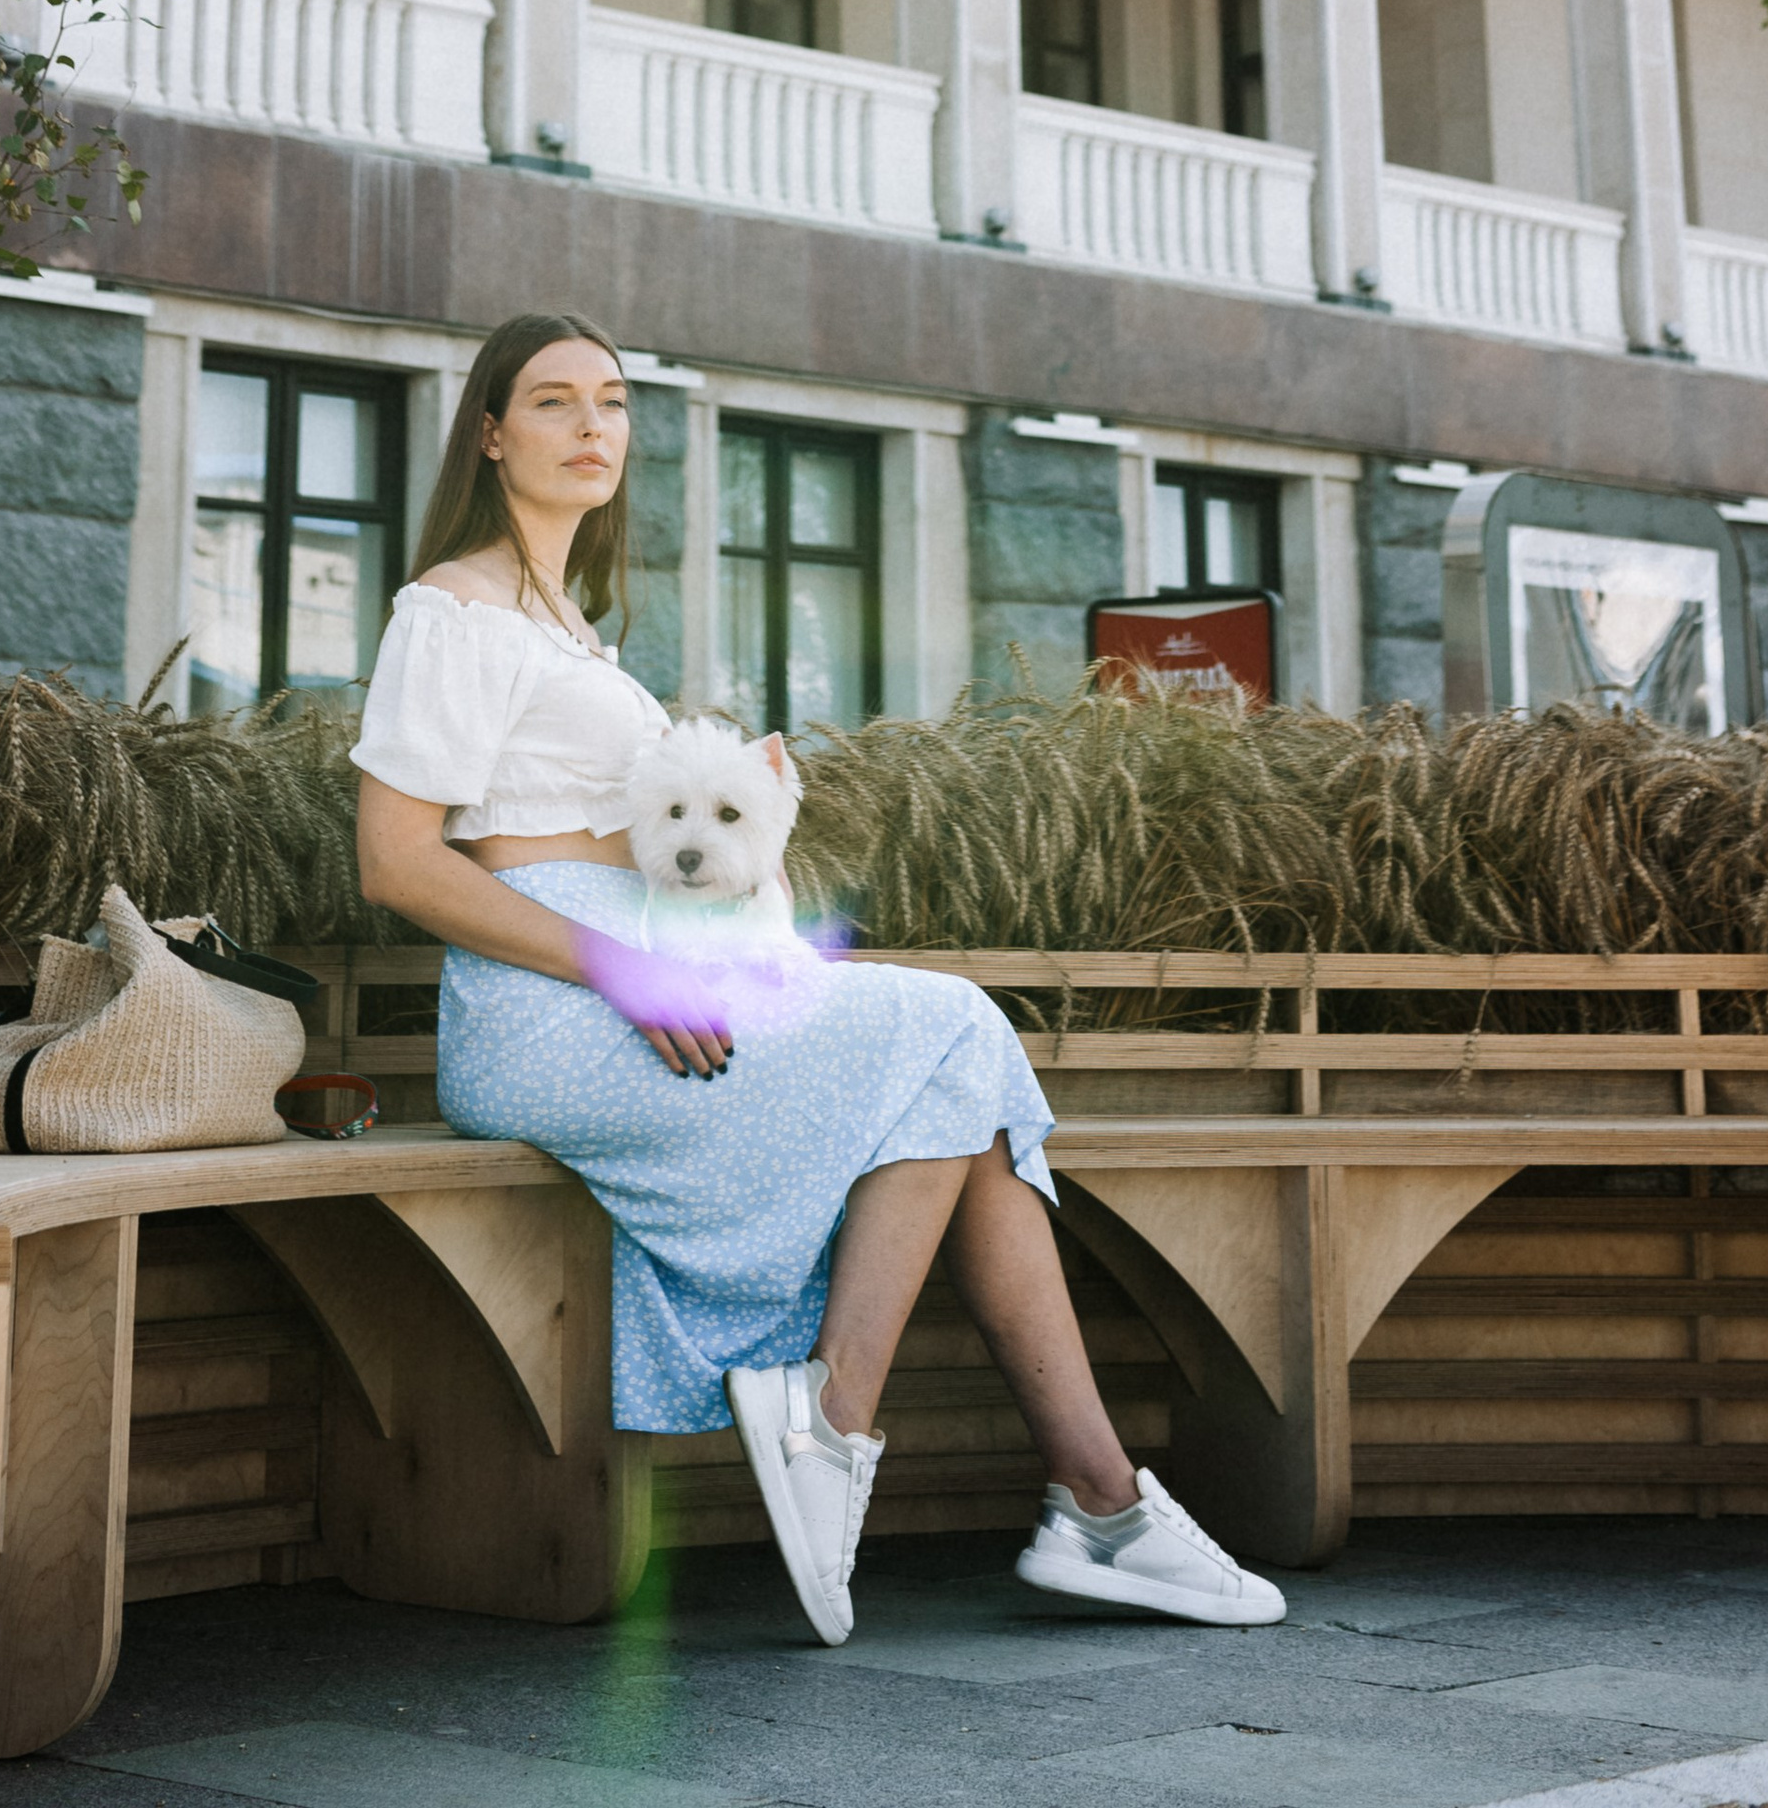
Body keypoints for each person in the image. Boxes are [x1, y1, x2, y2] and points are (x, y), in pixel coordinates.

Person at [352, 308, 1283, 1647]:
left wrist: (742, 845)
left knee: (951, 1064)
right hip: (553, 1008)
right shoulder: (453, 607)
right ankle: (930, 1446)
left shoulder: (571, 624)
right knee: (951, 1026)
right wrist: (624, 966)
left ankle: (1077, 1489)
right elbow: (397, 860)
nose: (591, 427)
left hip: (646, 988)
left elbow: (607, 833)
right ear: (491, 433)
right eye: (553, 402)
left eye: (611, 401)